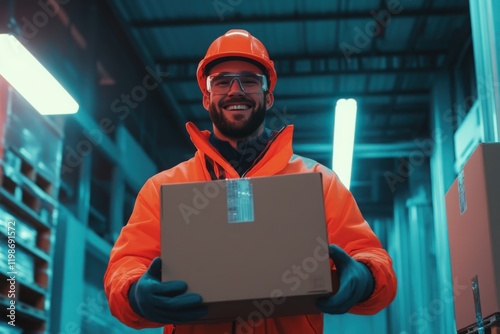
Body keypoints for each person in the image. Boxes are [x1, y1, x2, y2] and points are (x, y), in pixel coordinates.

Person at [104, 29, 397, 334]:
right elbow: (126, 265)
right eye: (221, 82)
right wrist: (135, 293)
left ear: (268, 96)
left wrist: (366, 277)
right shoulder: (162, 189)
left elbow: (372, 258)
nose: (235, 90)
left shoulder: (318, 182)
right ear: (206, 98)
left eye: (250, 81)